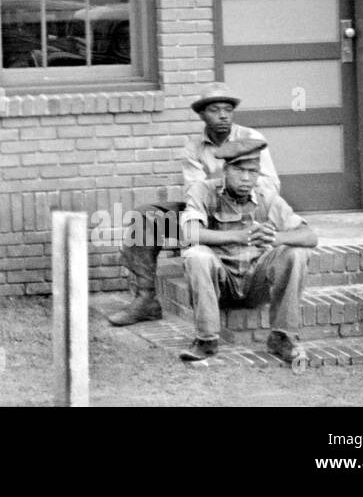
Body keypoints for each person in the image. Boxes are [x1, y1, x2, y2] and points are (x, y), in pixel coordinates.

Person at [107, 82, 279, 326]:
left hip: (246, 213)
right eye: (214, 110)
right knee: (144, 216)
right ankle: (146, 299)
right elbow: (195, 191)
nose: (222, 115)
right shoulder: (194, 147)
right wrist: (220, 186)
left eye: (228, 110)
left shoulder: (251, 138)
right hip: (207, 211)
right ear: (201, 114)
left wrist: (233, 183)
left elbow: (270, 185)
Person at [177, 138, 317, 362]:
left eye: (252, 172)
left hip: (256, 282)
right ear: (225, 169)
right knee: (196, 255)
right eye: (239, 170)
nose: (245, 178)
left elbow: (310, 236)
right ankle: (206, 340)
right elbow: (189, 234)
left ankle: (283, 337)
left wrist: (275, 238)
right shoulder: (203, 191)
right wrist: (239, 236)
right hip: (220, 284)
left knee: (296, 252)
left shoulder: (266, 197)